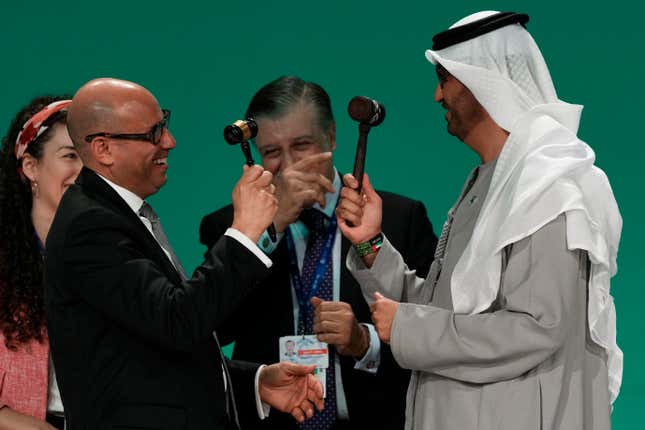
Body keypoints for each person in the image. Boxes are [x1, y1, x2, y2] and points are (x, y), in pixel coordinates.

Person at [337, 11, 622, 430]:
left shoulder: (548, 186)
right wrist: (369, 243)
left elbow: (535, 329)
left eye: (444, 80)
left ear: (480, 82)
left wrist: (407, 328)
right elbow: (446, 309)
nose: (437, 97)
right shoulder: (492, 179)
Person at [44, 78, 323, 430]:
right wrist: (244, 233)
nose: (170, 142)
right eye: (154, 132)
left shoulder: (116, 213)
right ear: (103, 149)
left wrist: (255, 381)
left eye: (165, 123)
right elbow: (178, 321)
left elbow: (150, 351)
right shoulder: (91, 227)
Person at [200, 76, 437, 429]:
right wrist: (273, 225)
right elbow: (214, 329)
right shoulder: (232, 227)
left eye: (302, 145)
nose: (289, 165)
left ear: (333, 137)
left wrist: (364, 341)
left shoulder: (400, 218)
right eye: (272, 153)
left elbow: (436, 333)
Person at [0, 95, 82, 430]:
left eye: (90, 157)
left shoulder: (117, 252)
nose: (84, 171)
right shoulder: (6, 261)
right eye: (70, 156)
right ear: (31, 167)